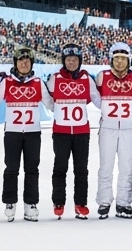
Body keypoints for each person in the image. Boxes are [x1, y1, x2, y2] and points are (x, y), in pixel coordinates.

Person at [0, 47, 50, 222]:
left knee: (32, 169)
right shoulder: (7, 82)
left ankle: (30, 204)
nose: (24, 64)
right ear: (15, 63)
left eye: (27, 61)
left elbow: (51, 103)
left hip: (32, 132)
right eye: (20, 61)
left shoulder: (38, 82)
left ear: (31, 63)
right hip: (13, 132)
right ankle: (10, 202)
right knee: (11, 168)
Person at [46, 43, 94, 219]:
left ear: (79, 61)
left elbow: (96, 98)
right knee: (60, 167)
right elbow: (47, 97)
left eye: (74, 60)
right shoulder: (55, 78)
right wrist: (56, 109)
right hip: (61, 132)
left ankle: (80, 203)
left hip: (82, 131)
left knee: (81, 168)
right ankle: (59, 202)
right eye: (68, 60)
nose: (71, 63)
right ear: (63, 61)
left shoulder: (86, 78)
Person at [95, 41, 132, 218]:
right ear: (111, 60)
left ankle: (124, 202)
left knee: (126, 166)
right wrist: (105, 112)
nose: (120, 62)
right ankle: (104, 201)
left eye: (123, 59)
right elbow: (95, 96)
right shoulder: (102, 76)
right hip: (108, 127)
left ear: (129, 60)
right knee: (106, 166)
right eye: (116, 59)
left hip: (128, 127)